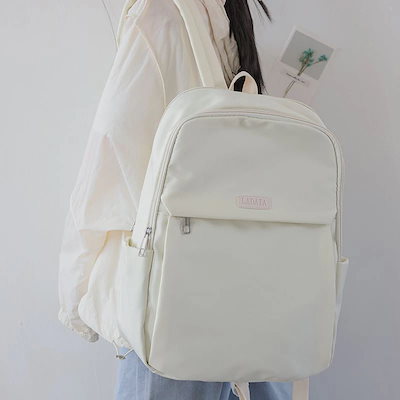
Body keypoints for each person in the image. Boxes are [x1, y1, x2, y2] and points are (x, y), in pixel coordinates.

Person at [58, 0, 292, 398]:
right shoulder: (231, 18)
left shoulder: (159, 15)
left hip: (173, 304)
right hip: (251, 298)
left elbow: (112, 151)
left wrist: (76, 293)